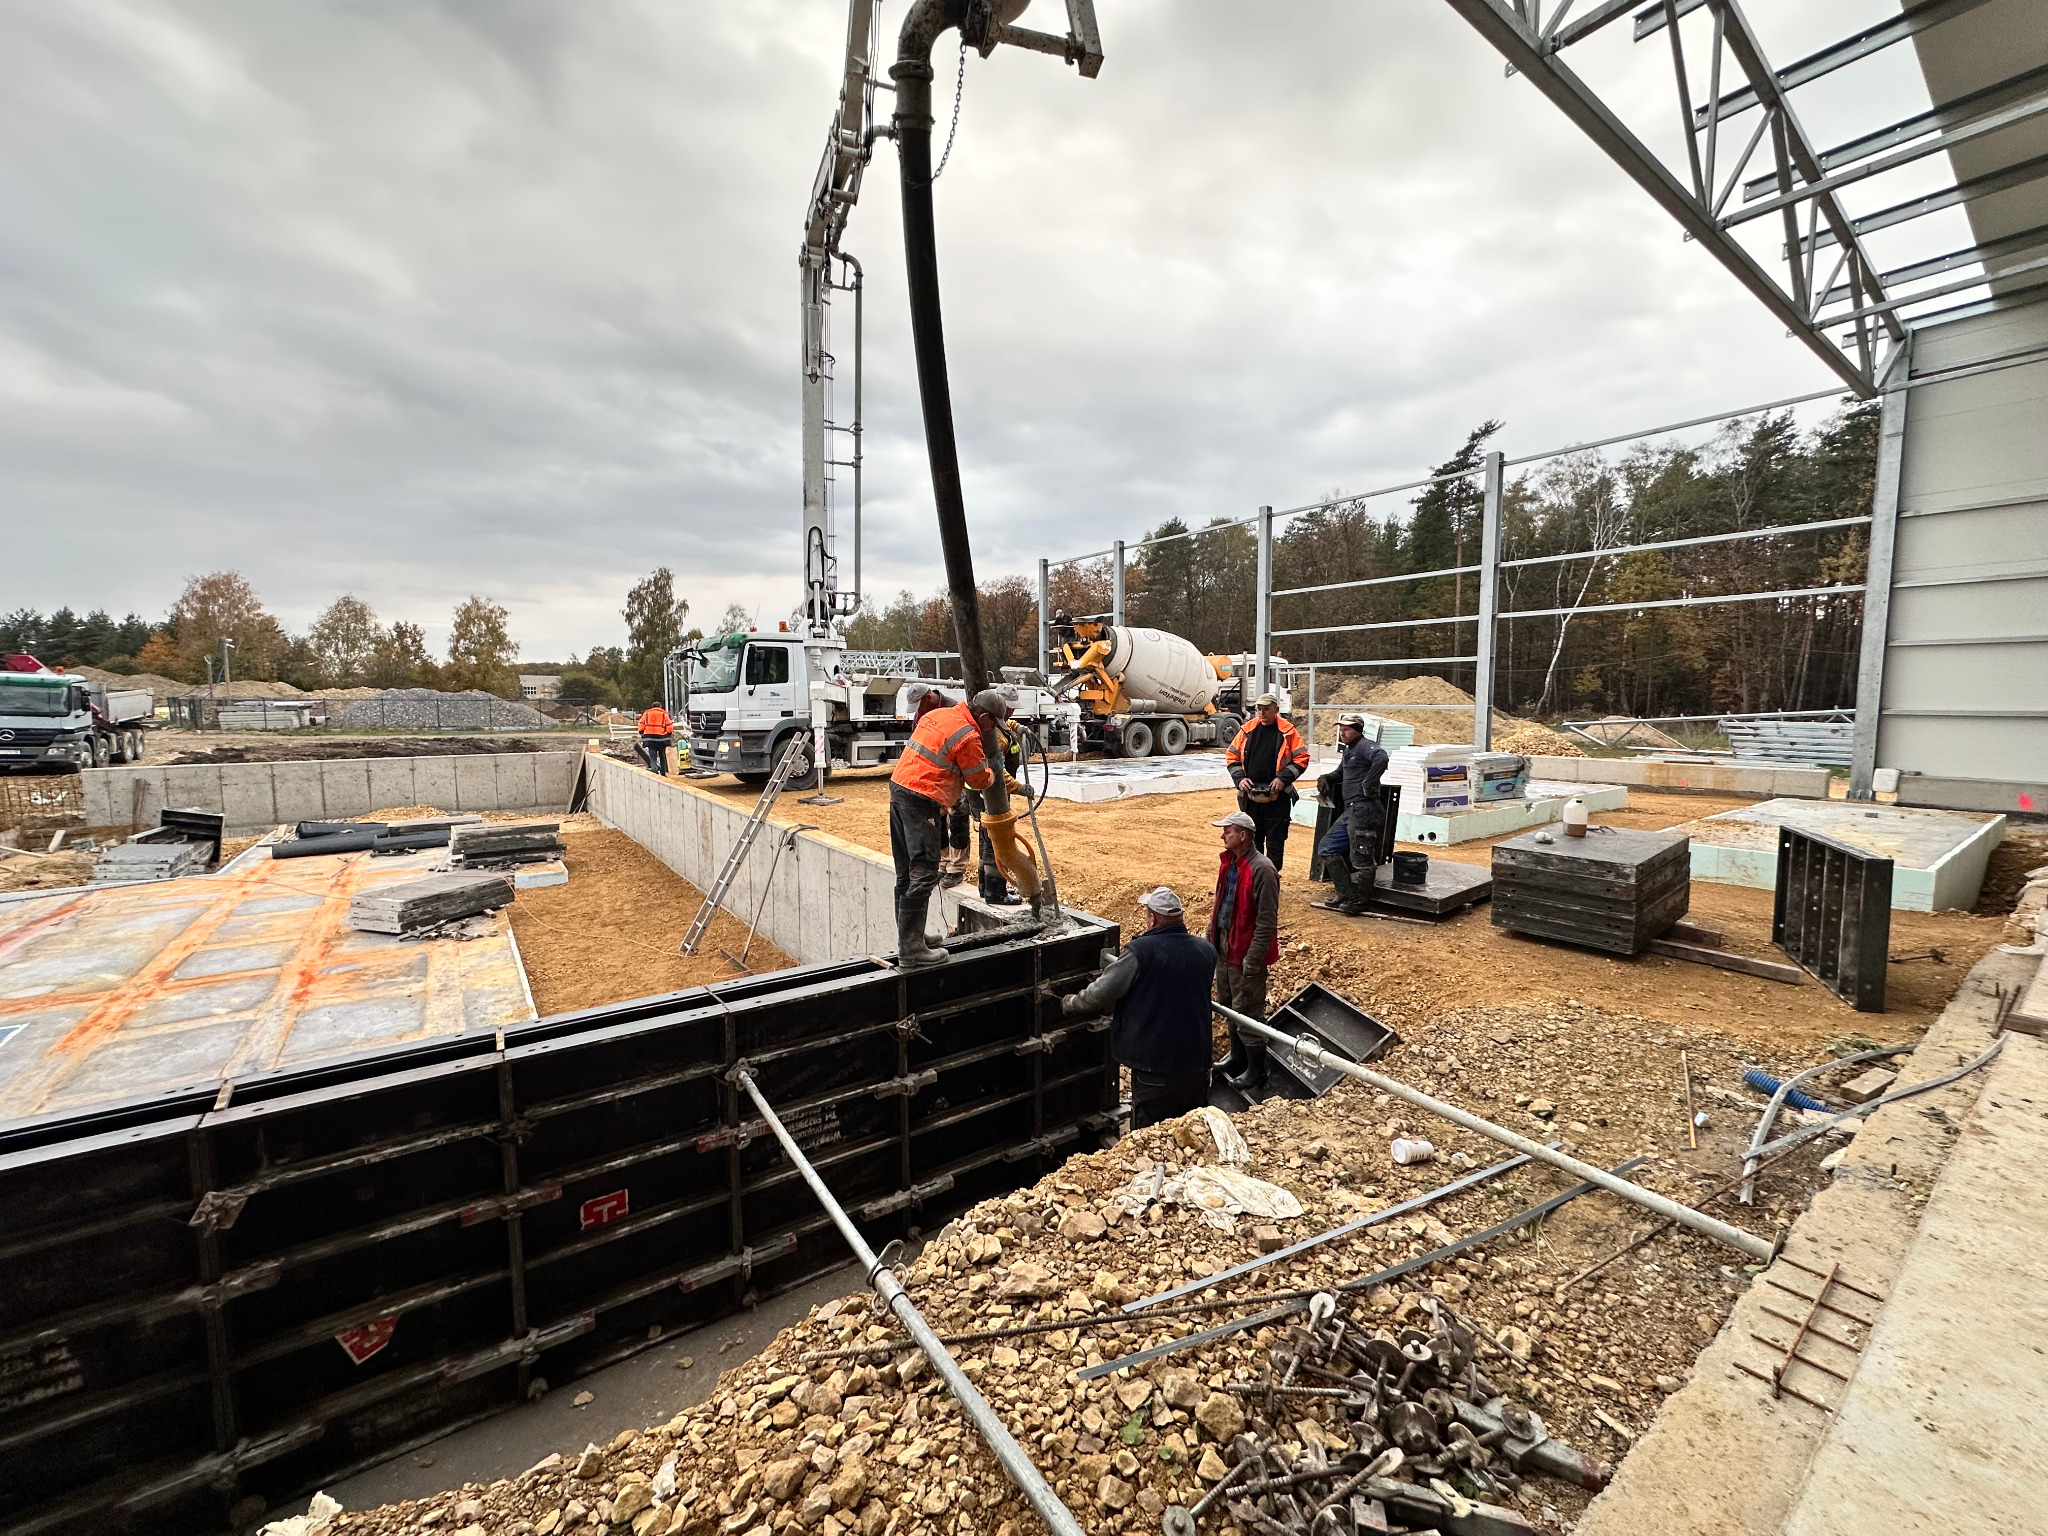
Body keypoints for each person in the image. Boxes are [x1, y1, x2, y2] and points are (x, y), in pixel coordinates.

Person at [1063, 887, 1217, 1128]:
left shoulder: (1140, 952)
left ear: (1153, 918)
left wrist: (1072, 1002)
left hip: (1154, 1067)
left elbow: (1101, 993)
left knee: (1149, 1135)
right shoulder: (1205, 950)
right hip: (1196, 1065)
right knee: (1190, 1135)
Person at [887, 687, 1012, 968]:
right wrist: (992, 769)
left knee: (905, 872)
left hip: (899, 790)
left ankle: (912, 936)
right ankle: (911, 950)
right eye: (993, 723)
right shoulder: (968, 735)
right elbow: (979, 780)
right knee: (924, 872)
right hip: (921, 799)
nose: (993, 729)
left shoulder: (941, 714)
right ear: (983, 716)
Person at [1208, 809, 1281, 1092]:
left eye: (1227, 831)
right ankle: (1238, 1058)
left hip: (1244, 952)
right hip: (1226, 947)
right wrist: (1212, 941)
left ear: (1243, 835)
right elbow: (1220, 905)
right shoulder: (1230, 864)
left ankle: (1256, 1070)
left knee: (1248, 1010)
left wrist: (1253, 960)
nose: (1223, 835)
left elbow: (1266, 921)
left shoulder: (1262, 869)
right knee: (1228, 1005)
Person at [1225, 692, 1310, 872]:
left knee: (1275, 841)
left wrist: (1283, 778)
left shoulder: (1288, 731)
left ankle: (1271, 878)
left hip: (1277, 798)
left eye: (1266, 709)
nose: (1262, 713)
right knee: (1251, 839)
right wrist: (1240, 779)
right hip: (1251, 797)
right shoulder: (1247, 730)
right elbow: (1232, 756)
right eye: (1259, 710)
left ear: (1276, 710)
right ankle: (1252, 877)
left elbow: (1301, 758)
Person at [1322, 712, 1391, 915]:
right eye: (1341, 730)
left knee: (1362, 858)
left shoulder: (1364, 746)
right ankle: (1347, 894)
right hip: (1351, 810)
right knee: (1327, 847)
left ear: (1358, 731)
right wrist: (1326, 778)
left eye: (1347, 730)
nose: (1342, 733)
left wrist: (1368, 783)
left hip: (1363, 809)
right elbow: (1341, 773)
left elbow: (1382, 757)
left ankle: (1360, 901)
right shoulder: (1350, 750)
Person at [636, 701, 675, 776]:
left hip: (649, 738)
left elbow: (641, 725)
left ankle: (655, 770)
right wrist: (668, 734)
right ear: (660, 706)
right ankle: (663, 773)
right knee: (662, 756)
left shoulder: (646, 713)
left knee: (652, 755)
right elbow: (669, 726)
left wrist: (642, 734)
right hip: (661, 738)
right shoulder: (664, 714)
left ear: (652, 706)